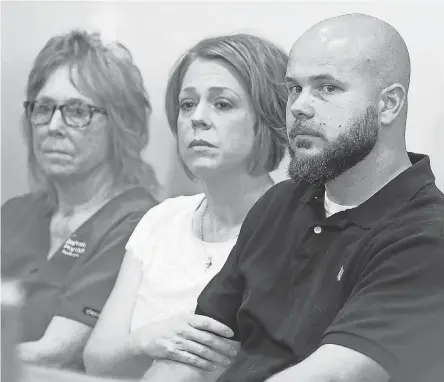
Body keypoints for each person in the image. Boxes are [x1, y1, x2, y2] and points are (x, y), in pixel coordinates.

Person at [141, 13, 444, 382]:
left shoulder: (427, 234)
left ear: (388, 104)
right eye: (293, 89)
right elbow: (194, 352)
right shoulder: (279, 203)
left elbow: (336, 375)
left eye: (327, 88)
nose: (300, 107)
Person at [82, 33, 289, 379]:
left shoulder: (293, 229)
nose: (197, 118)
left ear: (267, 117)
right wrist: (147, 340)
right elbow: (95, 359)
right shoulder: (161, 220)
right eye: (187, 104)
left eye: (222, 104)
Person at [1, 30, 158, 369]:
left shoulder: (136, 222)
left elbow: (53, 353)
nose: (53, 126)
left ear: (119, 123)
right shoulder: (15, 213)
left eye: (76, 111)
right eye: (43, 108)